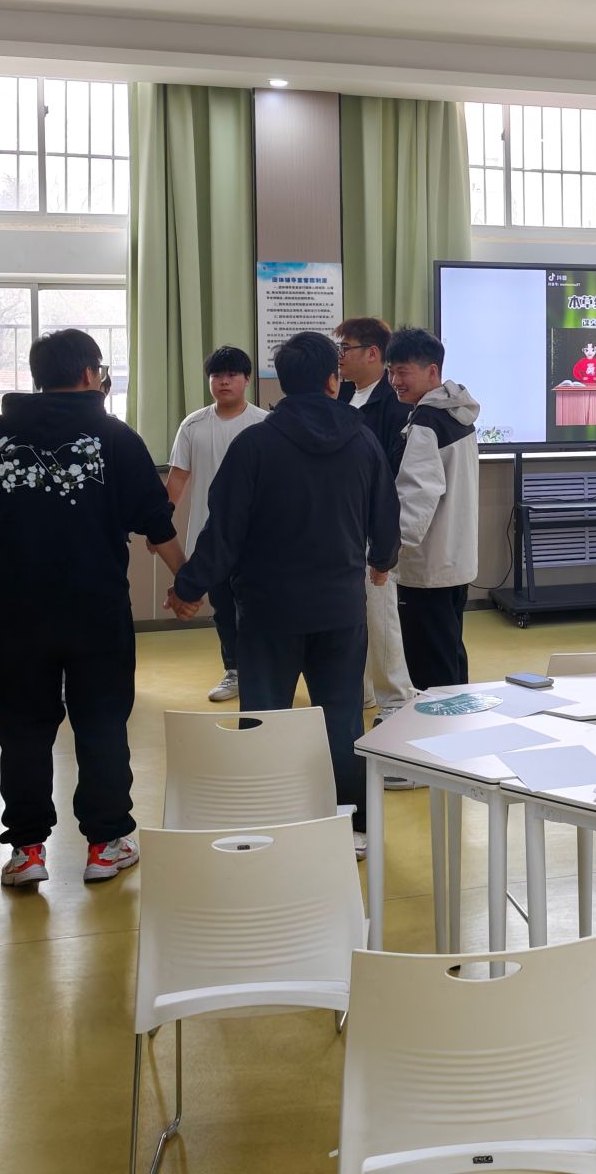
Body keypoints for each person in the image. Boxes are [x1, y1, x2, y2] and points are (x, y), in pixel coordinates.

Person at [0, 329, 185, 888]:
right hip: (95, 610)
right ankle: (105, 844)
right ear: (89, 374)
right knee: (102, 722)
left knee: (22, 728)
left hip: (15, 611)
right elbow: (156, 522)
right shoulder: (115, 436)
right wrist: (188, 584)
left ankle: (26, 851)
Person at [167, 332, 400, 853]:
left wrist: (188, 587)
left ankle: (266, 820)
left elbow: (224, 530)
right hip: (340, 607)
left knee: (265, 717)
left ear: (282, 383)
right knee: (341, 716)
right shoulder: (362, 441)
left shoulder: (255, 444)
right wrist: (383, 561)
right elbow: (386, 514)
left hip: (268, 610)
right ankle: (353, 825)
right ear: (332, 380)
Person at [163, 345, 268, 705]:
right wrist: (161, 525)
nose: (224, 382)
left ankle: (262, 672)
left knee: (256, 607)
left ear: (246, 380)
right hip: (211, 538)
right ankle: (234, 671)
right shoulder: (193, 425)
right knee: (223, 609)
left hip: (257, 538)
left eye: (232, 375)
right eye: (217, 375)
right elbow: (177, 479)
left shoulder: (264, 424)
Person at [335, 315, 418, 730]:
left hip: (375, 520)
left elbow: (391, 470)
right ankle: (365, 688)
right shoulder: (344, 396)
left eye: (345, 349)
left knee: (380, 611)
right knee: (355, 610)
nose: (339, 358)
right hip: (346, 520)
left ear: (372, 353)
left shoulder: (393, 403)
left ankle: (396, 696)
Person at [386, 327, 481, 690]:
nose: (395, 381)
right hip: (454, 559)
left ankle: (440, 723)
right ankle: (461, 718)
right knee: (449, 652)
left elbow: (418, 493)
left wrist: (391, 550)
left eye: (403, 372)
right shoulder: (456, 414)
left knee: (429, 666)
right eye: (391, 372)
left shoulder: (427, 422)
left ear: (432, 371)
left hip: (426, 566)